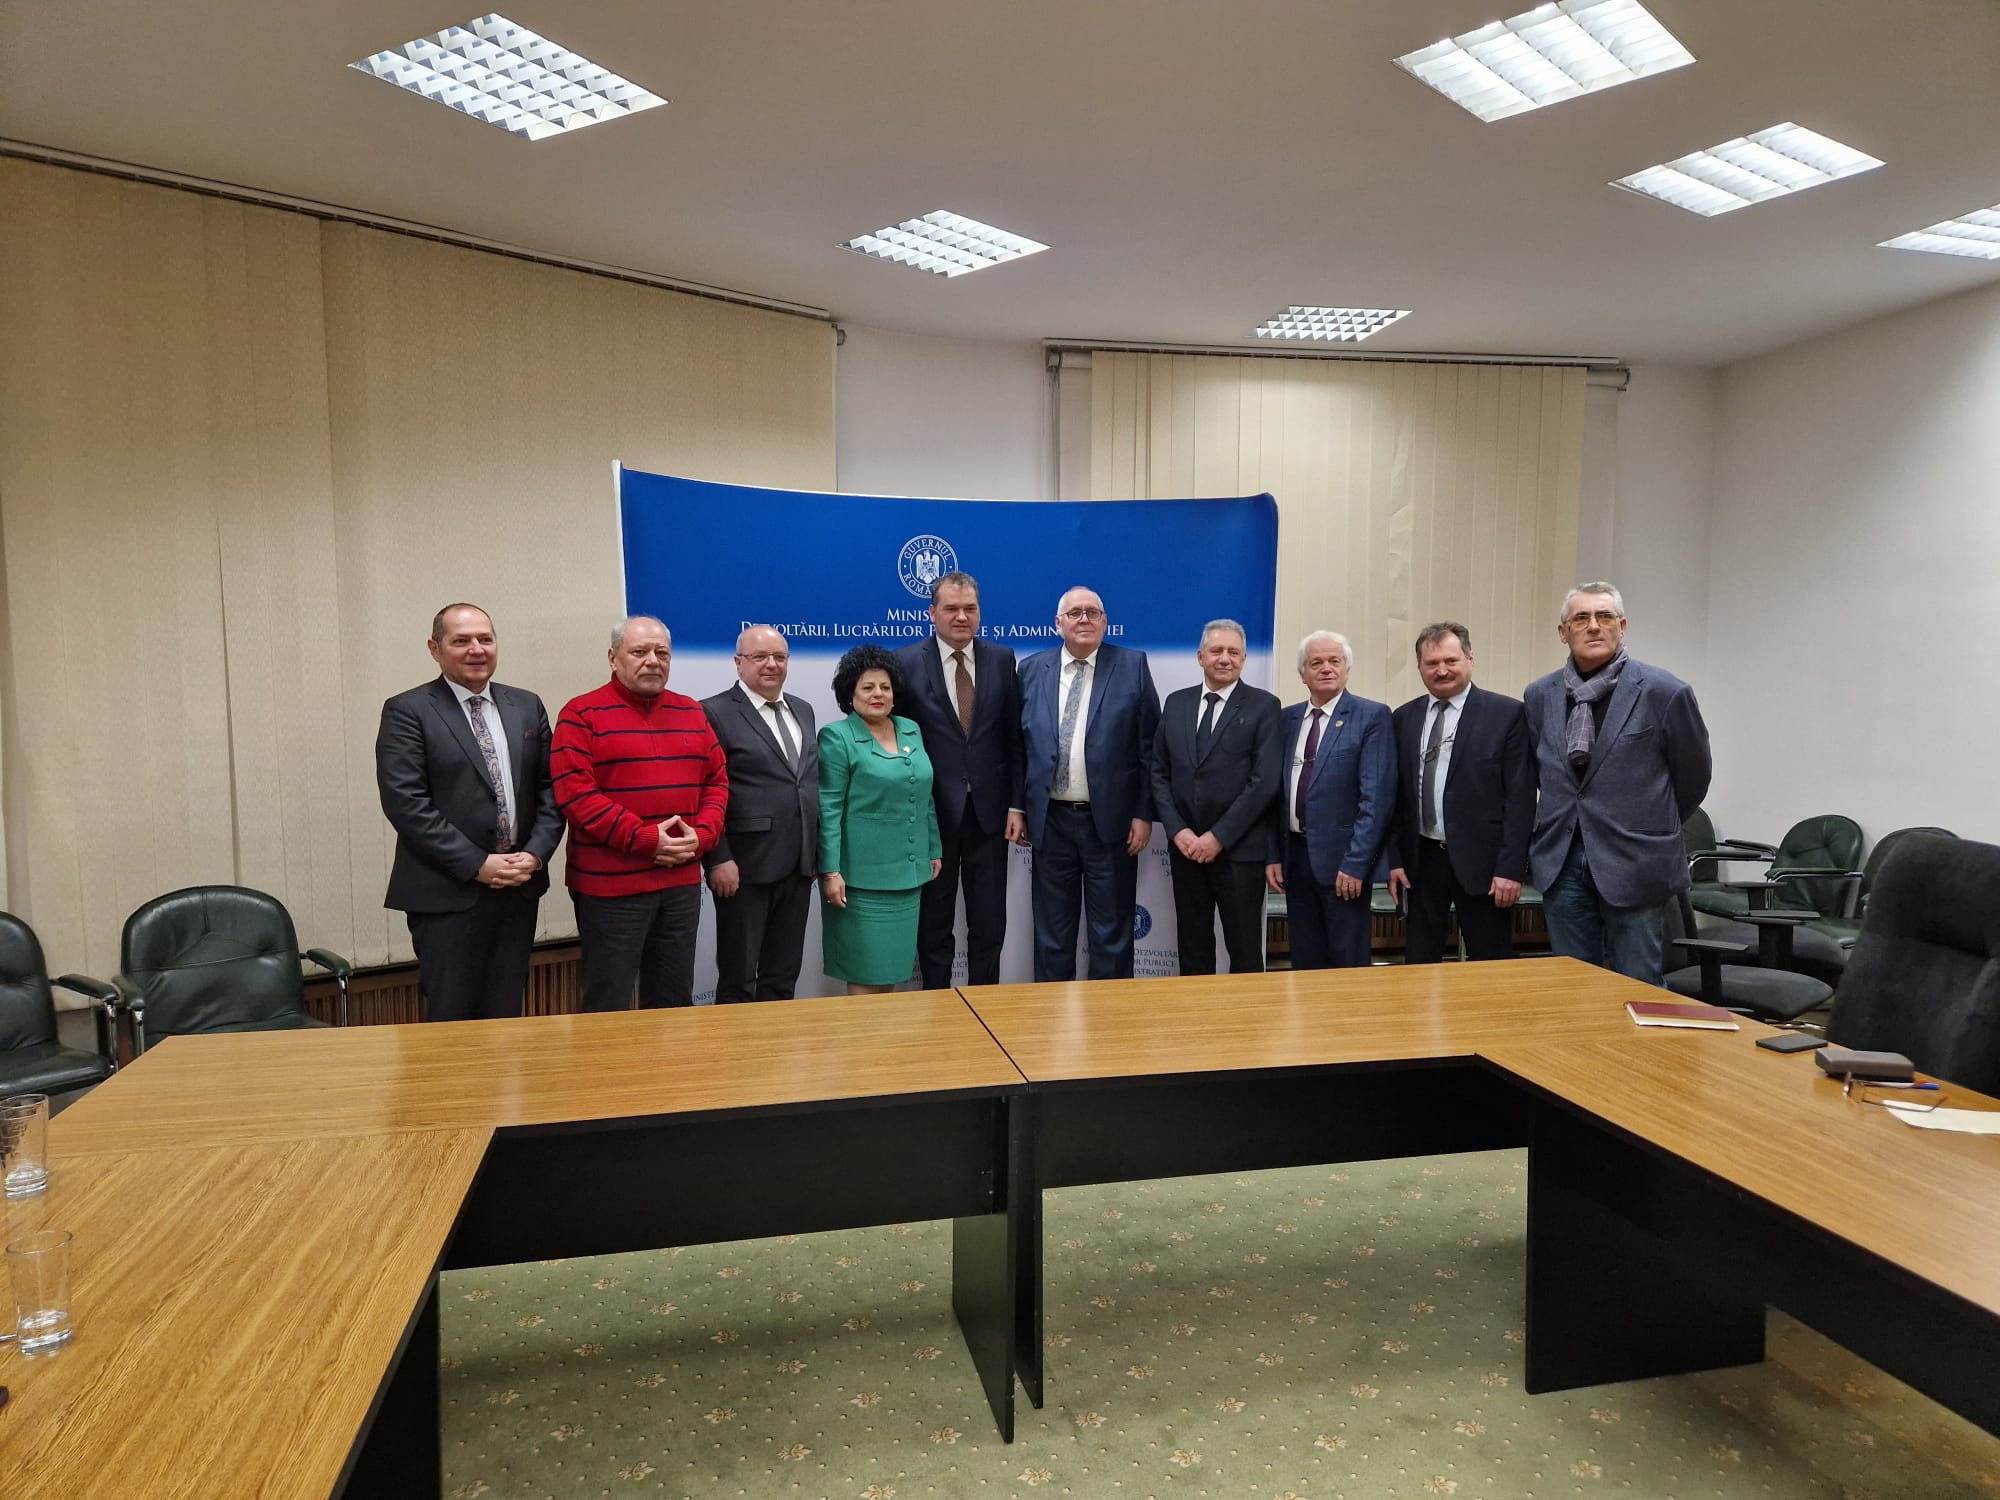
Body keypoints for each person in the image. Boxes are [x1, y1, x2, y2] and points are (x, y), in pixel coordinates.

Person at [376, 603, 564, 1022]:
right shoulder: (408, 710)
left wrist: (535, 855)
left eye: (485, 639)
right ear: (435, 648)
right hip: (447, 893)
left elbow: (551, 789)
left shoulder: (526, 705)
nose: (476, 649)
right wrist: (477, 863)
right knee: (452, 1022)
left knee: (505, 1015)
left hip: (517, 889)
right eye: (461, 640)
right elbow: (406, 802)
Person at [1524, 582, 1712, 986]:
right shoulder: (1540, 695)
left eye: (1604, 616)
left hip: (1635, 862)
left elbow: (1693, 778)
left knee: (1638, 985)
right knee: (1573, 985)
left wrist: (1648, 824)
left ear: (1621, 626)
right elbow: (1544, 772)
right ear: (1563, 632)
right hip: (1562, 861)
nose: (1594, 626)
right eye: (1581, 618)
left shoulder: (1665, 692)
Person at [552, 616, 728, 1010]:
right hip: (610, 891)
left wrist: (702, 835)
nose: (652, 660)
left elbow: (717, 782)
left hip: (680, 885)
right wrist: (647, 839)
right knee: (609, 1002)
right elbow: (576, 796)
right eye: (639, 651)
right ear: (613, 658)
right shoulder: (581, 714)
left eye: (662, 653)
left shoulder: (692, 712)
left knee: (673, 1001)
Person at [1015, 586, 1160, 982]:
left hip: (1110, 824)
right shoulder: (1031, 670)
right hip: (1050, 822)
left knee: (1111, 935)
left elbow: (1150, 748)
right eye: (1075, 613)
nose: (1084, 619)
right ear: (1058, 623)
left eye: (1093, 612)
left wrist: (1143, 813)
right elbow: (1017, 747)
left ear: (1105, 622)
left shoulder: (1132, 666)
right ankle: (1052, 1012)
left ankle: (1108, 1016)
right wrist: (1018, 807)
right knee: (1052, 936)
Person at [894, 572, 1024, 988]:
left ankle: (986, 1002)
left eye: (970, 608)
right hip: (931, 816)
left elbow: (1014, 739)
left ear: (980, 613)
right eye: (951, 608)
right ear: (932, 613)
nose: (961, 616)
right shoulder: (904, 662)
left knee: (989, 921)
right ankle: (936, 1003)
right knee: (934, 921)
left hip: (990, 815)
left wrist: (1016, 804)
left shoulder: (1002, 659)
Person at [1385, 623, 1536, 964]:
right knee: (1419, 962)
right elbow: (1396, 797)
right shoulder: (1404, 718)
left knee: (1489, 963)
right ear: (1420, 667)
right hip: (1421, 862)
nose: (1442, 670)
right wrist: (1395, 859)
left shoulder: (1506, 714)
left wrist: (1511, 868)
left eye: (1451, 661)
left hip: (1485, 865)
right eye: (1431, 663)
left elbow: (1521, 798)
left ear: (1470, 659)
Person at [1150, 619, 1284, 975]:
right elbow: (1158, 772)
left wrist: (1217, 837)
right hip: (1185, 850)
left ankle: (1246, 1012)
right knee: (1192, 946)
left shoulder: (1264, 706)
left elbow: (1263, 782)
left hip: (1239, 851)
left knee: (1244, 949)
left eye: (1234, 652)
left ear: (1243, 659)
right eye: (1217, 651)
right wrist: (1178, 831)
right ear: (1200, 657)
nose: (1225, 658)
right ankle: (1196, 1010)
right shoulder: (1176, 703)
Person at [700, 626, 818, 1003]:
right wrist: (718, 857)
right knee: (738, 977)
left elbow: (803, 783)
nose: (771, 665)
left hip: (799, 863)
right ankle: (736, 1043)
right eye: (760, 657)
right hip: (743, 866)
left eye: (779, 657)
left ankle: (776, 1042)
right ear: (738, 663)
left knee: (783, 975)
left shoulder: (803, 709)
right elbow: (706, 790)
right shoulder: (713, 711)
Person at [1264, 631, 1394, 969]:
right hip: (1295, 860)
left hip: (1343, 864)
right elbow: (1273, 795)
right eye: (1316, 663)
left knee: (1347, 964)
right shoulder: (1285, 719)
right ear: (1303, 674)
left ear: (1347, 669)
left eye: (1334, 661)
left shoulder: (1371, 716)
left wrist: (1356, 864)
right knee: (1304, 961)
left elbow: (1376, 801)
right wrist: (1273, 855)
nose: (1326, 668)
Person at [817, 645, 942, 993]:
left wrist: (934, 847)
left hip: (908, 875)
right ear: (850, 694)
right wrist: (830, 871)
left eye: (885, 687)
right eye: (868, 687)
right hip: (860, 882)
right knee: (865, 973)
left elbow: (925, 795)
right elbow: (828, 809)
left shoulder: (910, 729)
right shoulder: (837, 737)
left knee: (892, 973)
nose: (878, 694)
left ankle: (885, 1033)